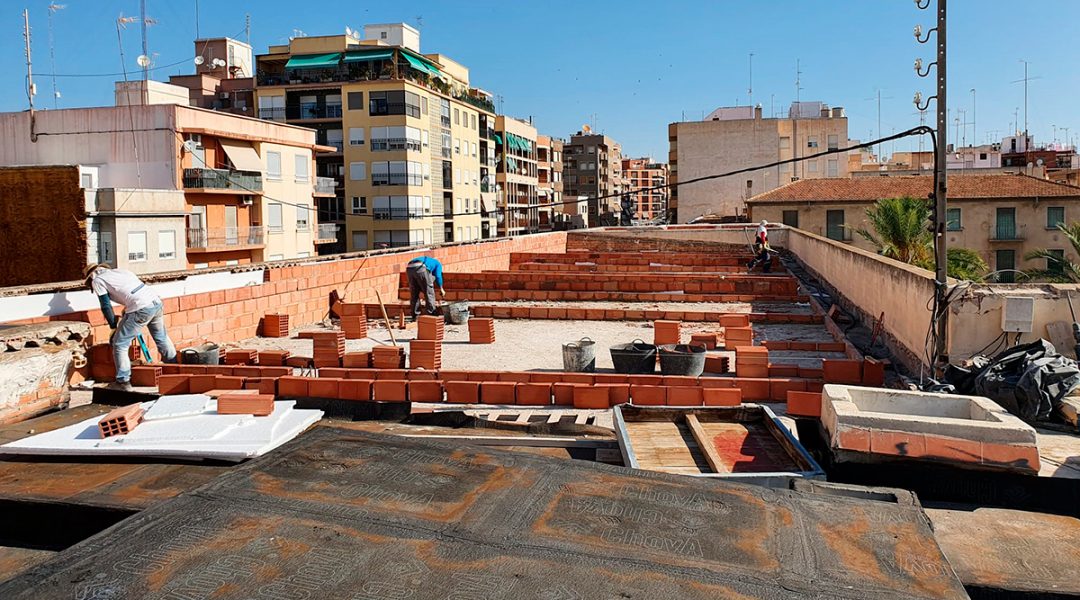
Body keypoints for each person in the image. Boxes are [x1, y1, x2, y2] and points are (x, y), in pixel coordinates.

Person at [84, 263, 177, 390]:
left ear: (90, 277)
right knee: (161, 337)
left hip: (140, 308)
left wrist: (113, 326)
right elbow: (132, 291)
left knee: (119, 344)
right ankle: (175, 369)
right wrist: (127, 311)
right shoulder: (121, 272)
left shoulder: (97, 280)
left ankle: (123, 382)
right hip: (156, 302)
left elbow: (105, 305)